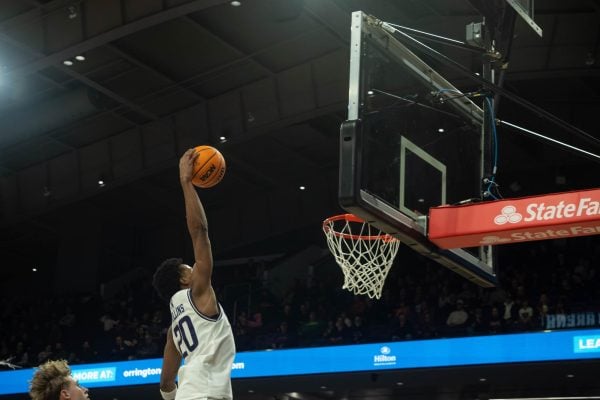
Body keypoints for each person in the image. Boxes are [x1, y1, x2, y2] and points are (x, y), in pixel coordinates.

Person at [152, 148, 236, 400]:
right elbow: (199, 231)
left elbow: (166, 382)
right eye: (189, 267)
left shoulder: (173, 330)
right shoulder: (197, 291)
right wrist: (186, 183)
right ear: (184, 279)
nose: (194, 267)